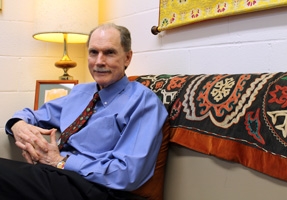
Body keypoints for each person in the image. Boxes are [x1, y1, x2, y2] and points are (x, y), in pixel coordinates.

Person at [0, 23, 168, 200]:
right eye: (93, 52)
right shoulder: (81, 93)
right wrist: (18, 125)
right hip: (57, 176)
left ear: (127, 58)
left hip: (101, 189)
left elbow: (127, 174)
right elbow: (34, 115)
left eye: (109, 53)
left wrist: (62, 162)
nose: (99, 61)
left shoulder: (142, 102)